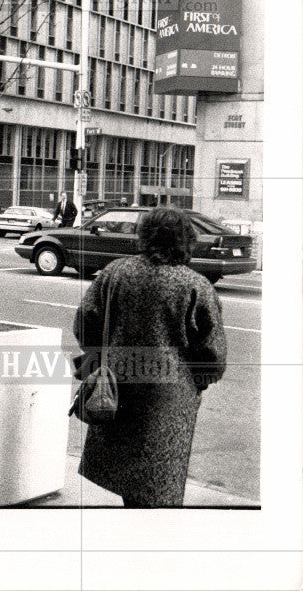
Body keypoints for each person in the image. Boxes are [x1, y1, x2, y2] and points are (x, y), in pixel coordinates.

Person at [72, 206, 227, 507]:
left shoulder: (116, 272)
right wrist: (200, 380)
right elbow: (212, 353)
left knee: (126, 474)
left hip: (116, 387)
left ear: (145, 236)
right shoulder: (196, 286)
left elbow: (85, 322)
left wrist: (102, 358)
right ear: (186, 240)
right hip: (169, 399)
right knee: (158, 485)